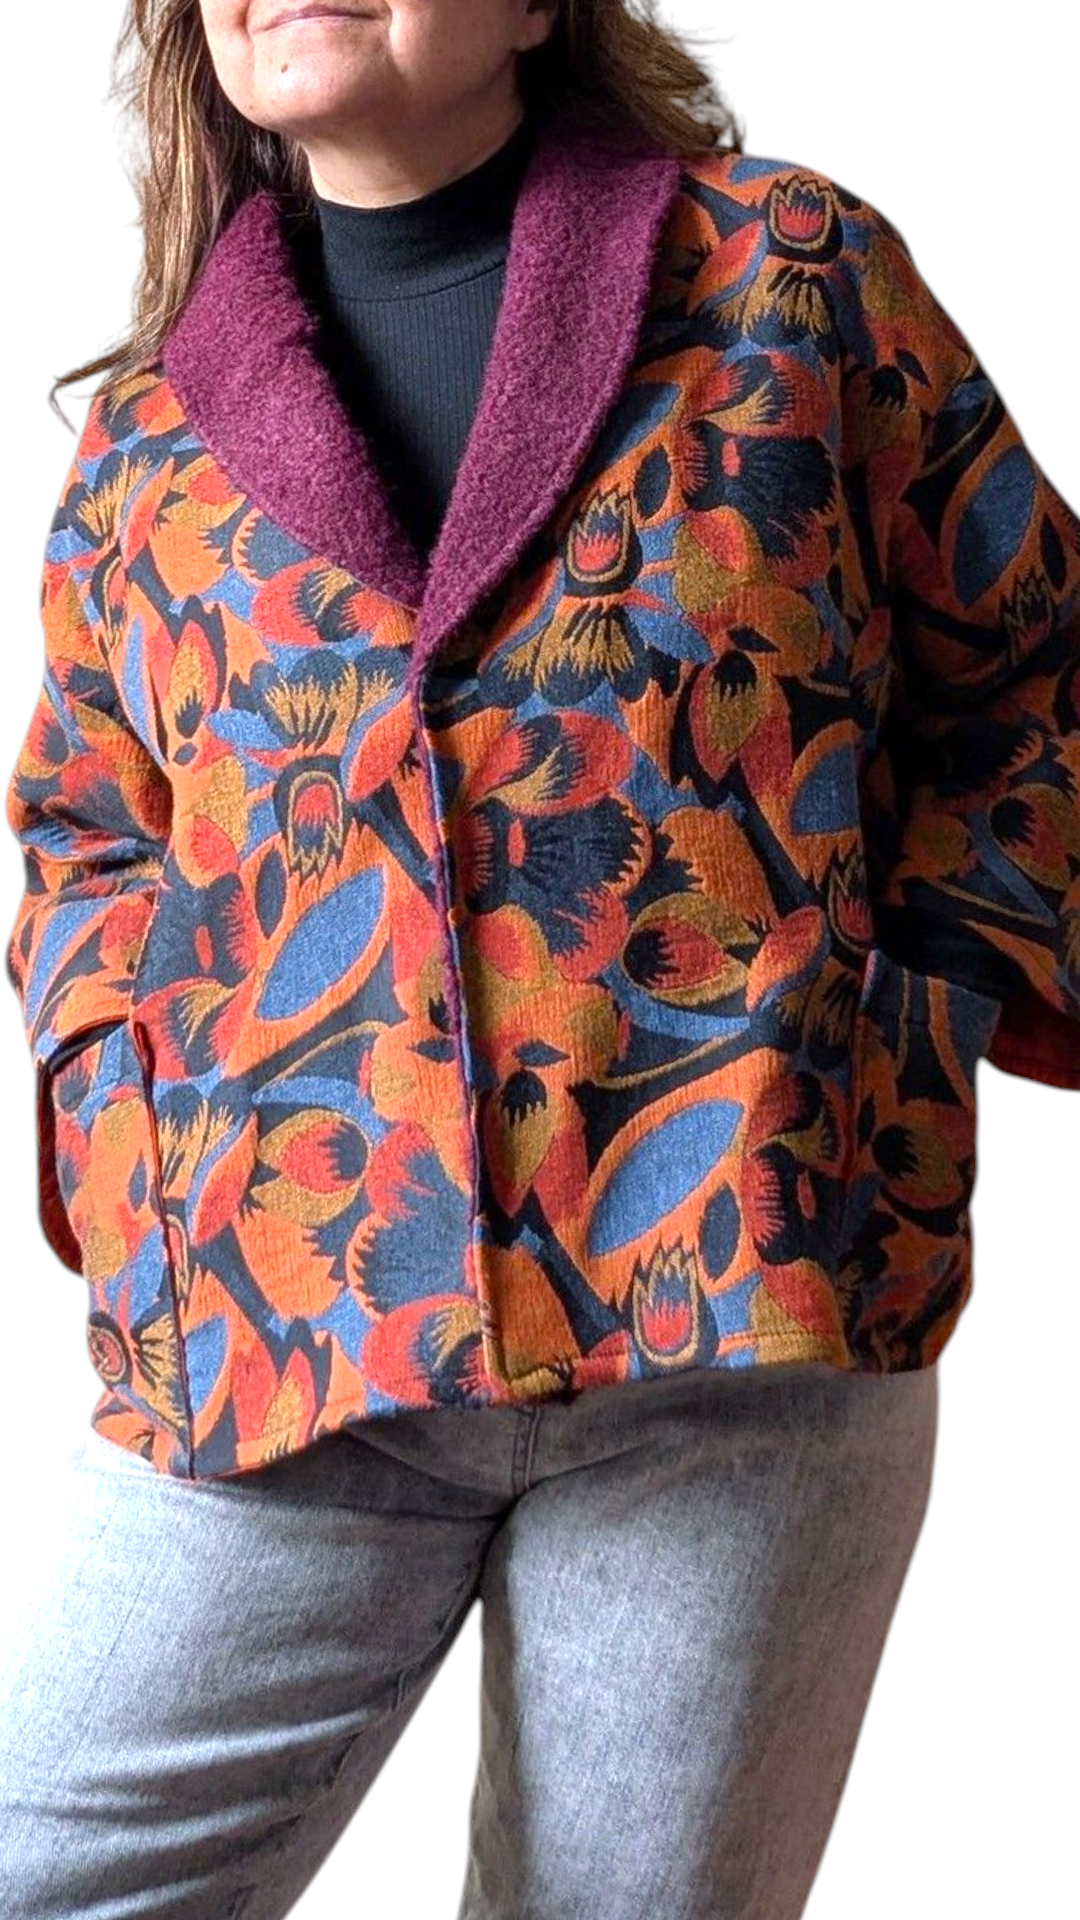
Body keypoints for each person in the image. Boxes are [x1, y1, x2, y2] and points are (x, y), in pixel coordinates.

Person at [1, 1, 1077, 1914]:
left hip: (738, 1319)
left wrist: (908, 1027)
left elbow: (1040, 671)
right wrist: (119, 1118)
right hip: (286, 1321)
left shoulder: (786, 279)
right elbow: (86, 825)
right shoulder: (153, 438)